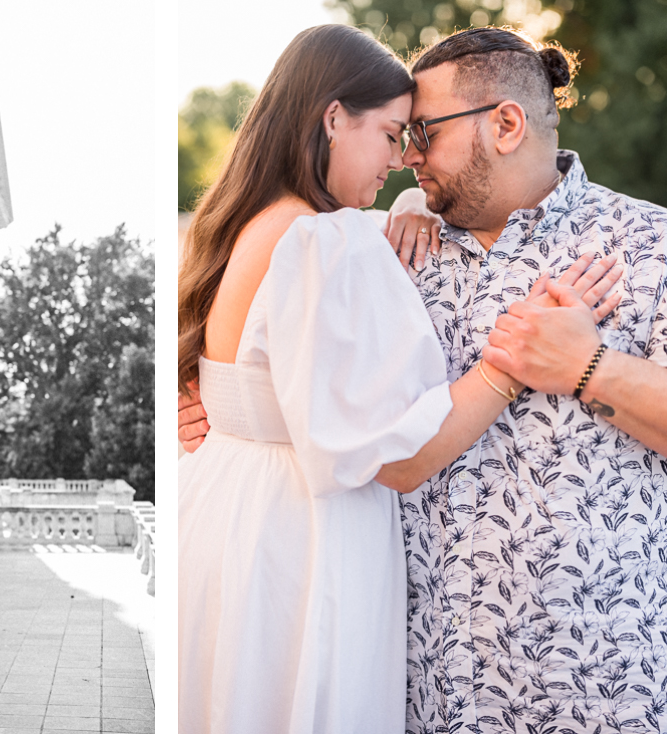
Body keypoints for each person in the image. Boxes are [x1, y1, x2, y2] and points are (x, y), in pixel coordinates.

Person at [181, 25, 667, 734]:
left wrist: (589, 368)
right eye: (398, 135)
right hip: (418, 682)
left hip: (596, 686)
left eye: (424, 132)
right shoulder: (389, 245)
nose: (407, 158)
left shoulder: (648, 245)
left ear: (505, 124)